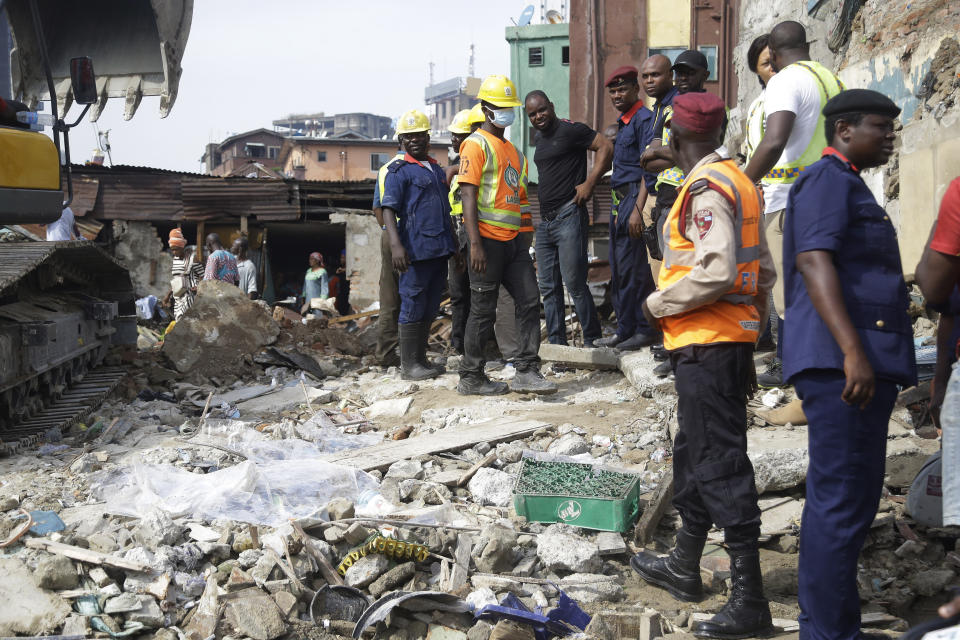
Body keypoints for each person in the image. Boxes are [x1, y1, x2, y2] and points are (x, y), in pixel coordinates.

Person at [630, 92, 776, 640]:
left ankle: (749, 599)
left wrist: (656, 305)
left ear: (675, 135)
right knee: (694, 452)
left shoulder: (706, 189)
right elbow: (760, 272)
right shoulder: (740, 180)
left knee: (719, 461)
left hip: (705, 343)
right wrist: (750, 327)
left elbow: (714, 272)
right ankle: (684, 564)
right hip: (721, 343)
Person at [782, 89, 914, 640]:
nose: (889, 137)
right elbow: (814, 260)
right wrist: (853, 351)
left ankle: (832, 627)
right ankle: (827, 633)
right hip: (843, 365)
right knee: (840, 504)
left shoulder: (848, 182)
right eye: (880, 127)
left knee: (849, 502)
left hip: (856, 362)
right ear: (842, 131)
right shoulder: (827, 181)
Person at [744, 20, 845, 387]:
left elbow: (773, 143)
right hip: (831, 194)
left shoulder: (785, 81)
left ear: (772, 50)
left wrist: (741, 181)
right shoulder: (831, 78)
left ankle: (792, 366)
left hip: (789, 202)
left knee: (789, 295)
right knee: (824, 286)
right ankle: (821, 365)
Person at [457, 74, 556, 395]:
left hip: (513, 243)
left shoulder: (514, 152)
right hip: (485, 241)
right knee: (482, 309)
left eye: (508, 107)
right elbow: (468, 195)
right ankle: (471, 376)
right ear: (485, 109)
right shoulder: (475, 144)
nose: (506, 113)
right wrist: (474, 243)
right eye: (500, 107)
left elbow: (522, 199)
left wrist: (525, 240)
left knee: (529, 300)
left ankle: (526, 369)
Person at [525, 89, 611, 347]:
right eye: (532, 114)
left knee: (574, 283)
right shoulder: (540, 139)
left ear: (551, 105)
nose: (538, 116)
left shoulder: (571, 130)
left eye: (542, 110)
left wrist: (590, 184)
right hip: (545, 223)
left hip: (569, 215)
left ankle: (593, 341)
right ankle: (558, 347)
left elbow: (606, 146)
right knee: (549, 289)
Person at [381, 109, 458, 380]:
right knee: (412, 302)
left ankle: (421, 360)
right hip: (414, 249)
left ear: (427, 137)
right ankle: (408, 365)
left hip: (438, 249)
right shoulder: (398, 171)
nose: (415, 140)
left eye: (420, 136)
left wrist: (454, 245)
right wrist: (396, 246)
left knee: (428, 304)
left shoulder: (434, 169)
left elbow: (444, 209)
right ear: (401, 140)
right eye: (409, 137)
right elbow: (387, 209)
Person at [594, 66, 658, 352]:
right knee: (619, 270)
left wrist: (638, 210)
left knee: (636, 270)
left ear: (636, 90)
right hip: (619, 201)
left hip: (634, 198)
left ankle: (644, 330)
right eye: (613, 91)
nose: (617, 95)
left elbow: (648, 169)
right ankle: (625, 329)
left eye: (623, 89)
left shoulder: (644, 120)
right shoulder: (624, 122)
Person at [744, 34, 778, 353]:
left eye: (776, 61)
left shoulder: (785, 98)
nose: (775, 69)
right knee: (761, 270)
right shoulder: (757, 105)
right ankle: (763, 335)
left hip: (780, 193)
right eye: (767, 64)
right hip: (760, 194)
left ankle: (783, 350)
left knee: (777, 272)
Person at [630, 54, 677, 256]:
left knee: (672, 268)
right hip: (654, 194)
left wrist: (653, 155)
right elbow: (646, 161)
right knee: (659, 271)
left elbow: (677, 153)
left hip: (673, 194)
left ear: (670, 75)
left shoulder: (676, 105)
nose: (649, 81)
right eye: (645, 76)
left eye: (655, 75)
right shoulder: (657, 107)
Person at [372, 145, 407, 366]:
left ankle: (385, 355)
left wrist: (388, 234)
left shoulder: (385, 169)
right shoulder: (422, 167)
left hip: (390, 235)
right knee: (412, 296)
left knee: (389, 297)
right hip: (411, 237)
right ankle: (411, 353)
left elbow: (378, 209)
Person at [166, 228, 203, 320]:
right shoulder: (175, 260)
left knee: (188, 323)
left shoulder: (192, 259)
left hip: (190, 297)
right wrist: (168, 295)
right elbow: (177, 280)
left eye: (176, 249)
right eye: (172, 250)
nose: (174, 252)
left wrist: (199, 286)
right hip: (178, 298)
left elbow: (203, 275)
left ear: (182, 247)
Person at [301, 252, 329, 317]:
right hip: (308, 299)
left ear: (317, 261)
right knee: (309, 317)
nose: (309, 261)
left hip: (317, 300)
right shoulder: (308, 271)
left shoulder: (322, 272)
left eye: (312, 259)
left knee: (318, 318)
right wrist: (303, 296)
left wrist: (323, 301)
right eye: (309, 259)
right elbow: (305, 285)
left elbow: (324, 288)